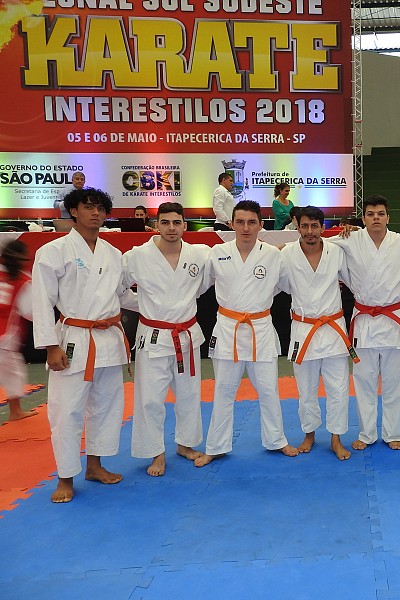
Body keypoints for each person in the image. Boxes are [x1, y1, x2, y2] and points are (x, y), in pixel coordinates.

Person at [32, 187, 137, 503]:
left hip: (108, 339)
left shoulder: (113, 254)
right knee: (67, 411)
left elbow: (122, 295)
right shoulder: (53, 251)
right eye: (88, 207)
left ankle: (95, 466)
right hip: (74, 340)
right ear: (74, 211)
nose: (95, 213)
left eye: (100, 209)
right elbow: (42, 300)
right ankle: (65, 477)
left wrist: (165, 307)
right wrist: (50, 346)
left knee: (106, 407)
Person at [194, 201, 299, 467]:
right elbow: (199, 286)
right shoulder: (218, 252)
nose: (246, 228)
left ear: (261, 225)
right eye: (240, 222)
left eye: (252, 222)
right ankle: (216, 446)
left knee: (268, 389)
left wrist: (258, 298)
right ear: (231, 224)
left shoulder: (273, 255)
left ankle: (277, 440)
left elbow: (285, 286)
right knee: (223, 390)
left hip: (260, 328)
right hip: (228, 328)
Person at [122, 202, 209, 476]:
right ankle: (156, 453)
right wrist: (145, 305)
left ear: (185, 225)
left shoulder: (199, 254)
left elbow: (204, 284)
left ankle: (185, 444)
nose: (171, 228)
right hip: (153, 335)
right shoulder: (137, 256)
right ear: (156, 225)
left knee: (189, 394)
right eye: (165, 222)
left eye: (176, 222)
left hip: (186, 335)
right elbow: (117, 288)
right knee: (150, 399)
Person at [332, 196, 400, 451]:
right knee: (364, 382)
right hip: (364, 321)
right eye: (370, 214)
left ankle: (392, 433)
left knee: (394, 383)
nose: (376, 218)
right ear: (363, 218)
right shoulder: (349, 239)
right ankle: (366, 434)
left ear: (388, 217)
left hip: (393, 322)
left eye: (380, 213)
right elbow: (315, 243)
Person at [280, 206, 355, 460]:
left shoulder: (336, 251)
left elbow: (358, 259)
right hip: (303, 329)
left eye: (314, 226)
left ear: (322, 228)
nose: (310, 231)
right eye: (305, 226)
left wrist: (353, 229)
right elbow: (279, 285)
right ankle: (309, 433)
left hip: (333, 329)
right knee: (306, 390)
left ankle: (336, 438)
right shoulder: (286, 255)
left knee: (339, 388)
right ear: (297, 227)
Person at [0, 240, 35, 421]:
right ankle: (15, 412)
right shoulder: (23, 281)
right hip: (5, 337)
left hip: (4, 338)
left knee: (12, 372)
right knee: (14, 373)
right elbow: (31, 313)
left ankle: (16, 411)